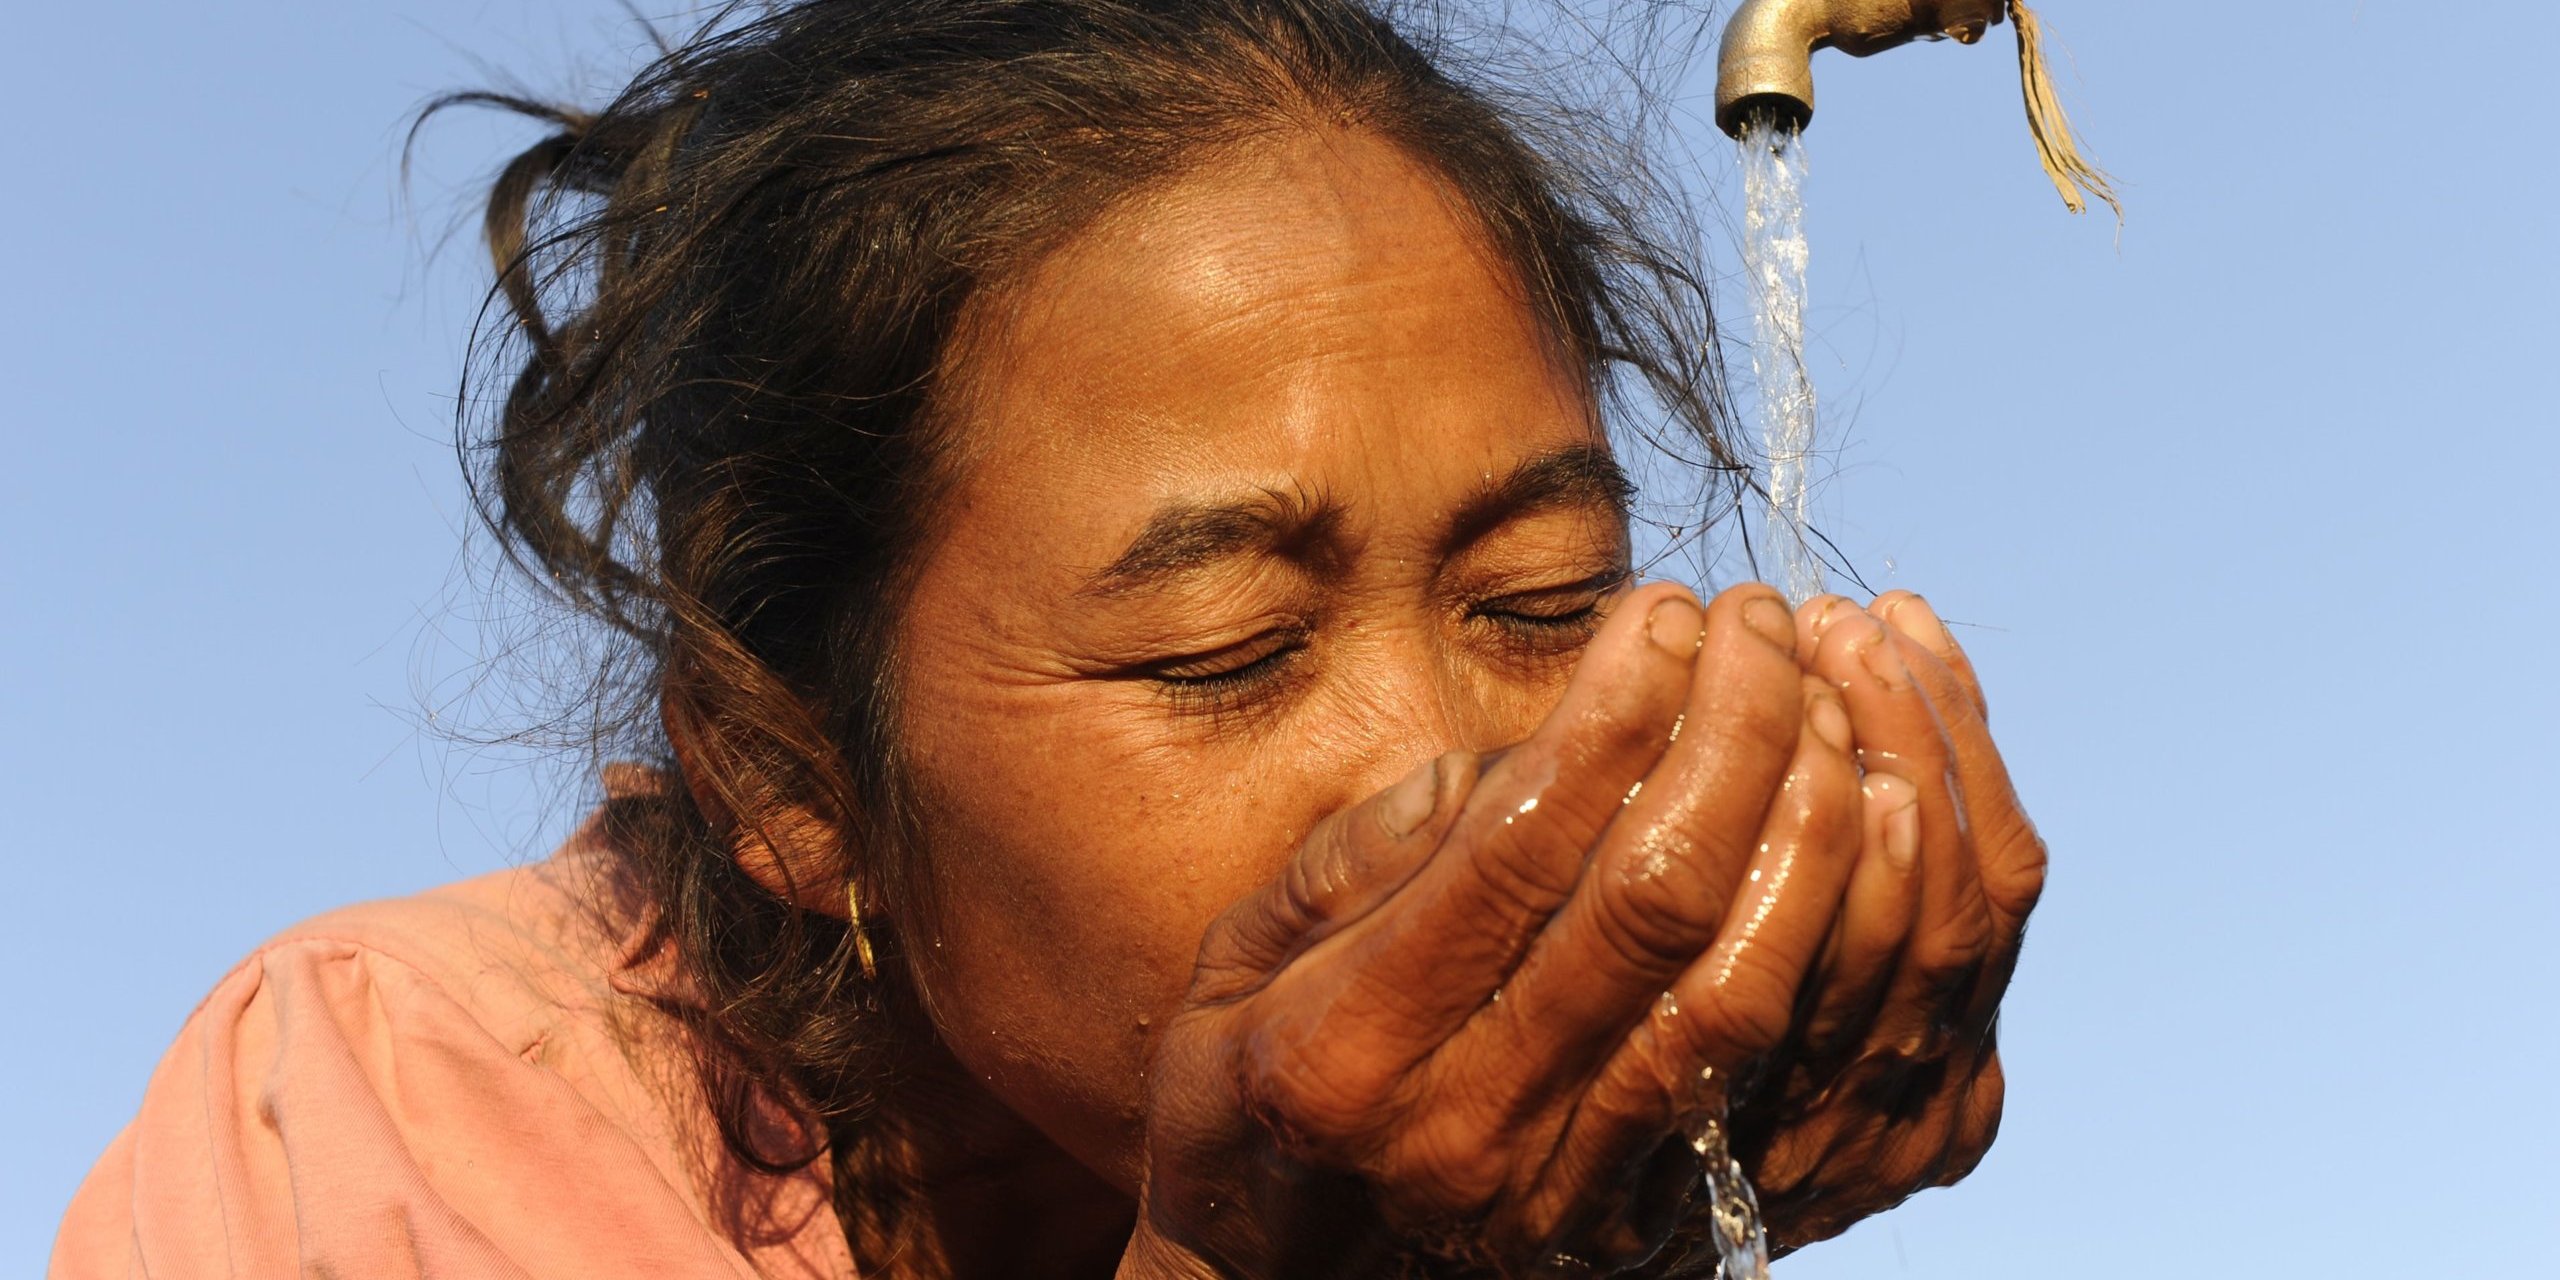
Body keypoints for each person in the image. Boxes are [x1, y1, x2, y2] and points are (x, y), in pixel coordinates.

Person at [51, 1, 2044, 1276]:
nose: (1445, 761)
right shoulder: (383, 1110)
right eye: (1224, 642)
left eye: (1542, 607)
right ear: (789, 778)